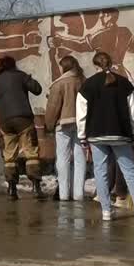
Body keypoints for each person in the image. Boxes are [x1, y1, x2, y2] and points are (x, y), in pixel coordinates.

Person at [76, 52, 134, 224]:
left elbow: (81, 114)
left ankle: (106, 211)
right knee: (131, 172)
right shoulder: (125, 84)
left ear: (95, 66)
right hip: (120, 134)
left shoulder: (87, 85)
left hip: (96, 135)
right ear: (111, 63)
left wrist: (82, 136)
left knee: (100, 172)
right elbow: (133, 112)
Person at [0, 56, 45, 200]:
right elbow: (37, 89)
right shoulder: (20, 76)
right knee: (31, 152)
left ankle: (12, 189)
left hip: (5, 122)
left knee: (9, 156)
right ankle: (36, 187)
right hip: (23, 119)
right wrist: (29, 78)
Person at [44, 56, 85, 202]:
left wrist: (49, 125)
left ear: (64, 67)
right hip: (81, 123)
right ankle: (78, 194)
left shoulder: (58, 84)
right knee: (80, 158)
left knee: (62, 159)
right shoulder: (83, 81)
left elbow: (53, 108)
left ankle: (64, 194)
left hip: (63, 124)